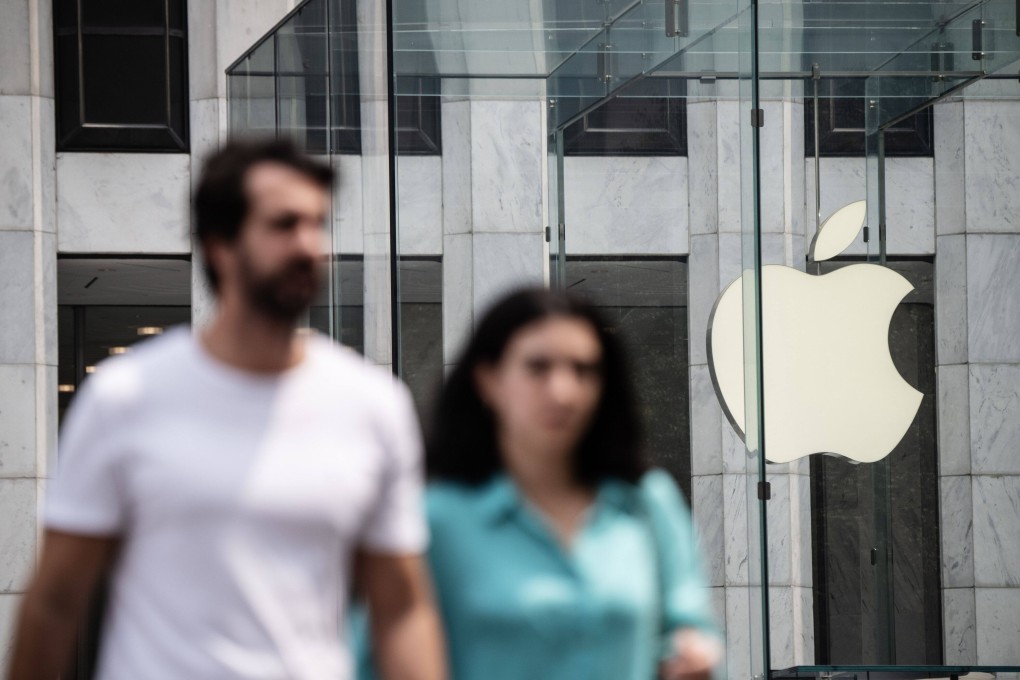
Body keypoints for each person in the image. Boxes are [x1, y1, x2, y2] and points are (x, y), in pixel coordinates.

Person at [8, 138, 446, 680]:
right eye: (284, 225)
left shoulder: (373, 404)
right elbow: (55, 601)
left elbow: (401, 607)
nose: (310, 244)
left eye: (318, 223)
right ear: (220, 245)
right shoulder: (126, 396)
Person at [418, 288, 722, 680]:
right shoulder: (438, 520)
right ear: (488, 380)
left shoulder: (648, 503)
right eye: (538, 367)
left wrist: (693, 654)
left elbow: (691, 627)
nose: (563, 392)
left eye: (583, 370)